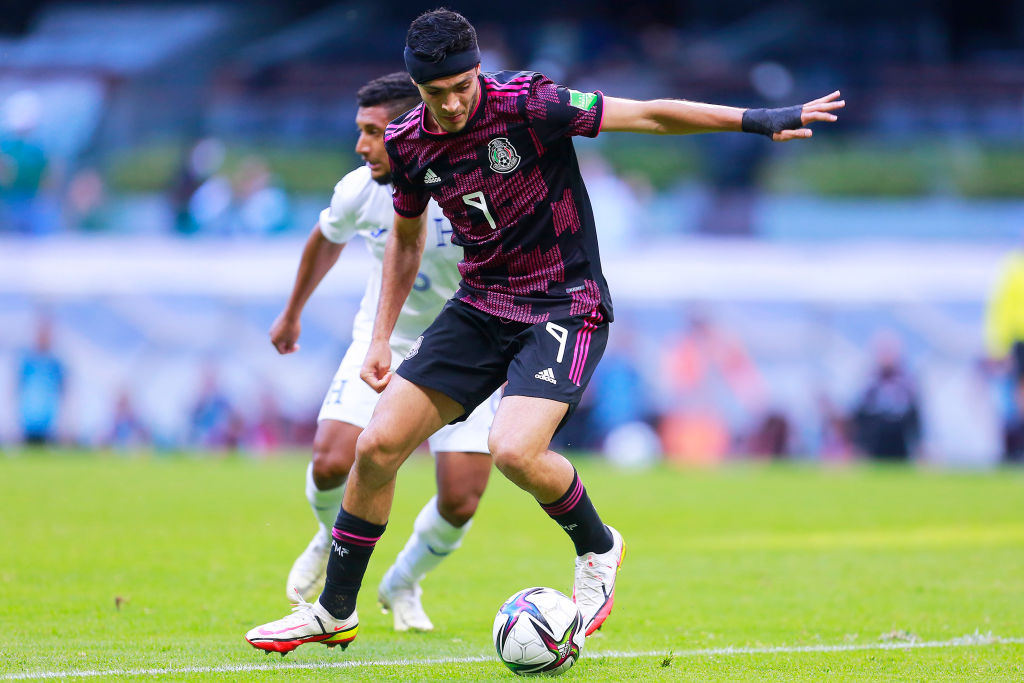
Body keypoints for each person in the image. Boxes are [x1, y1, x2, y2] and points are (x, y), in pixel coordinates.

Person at [245, 8, 843, 654]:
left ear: (478, 70)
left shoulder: (530, 103)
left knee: (513, 450)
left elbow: (647, 115)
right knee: (377, 444)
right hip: (481, 306)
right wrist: (383, 335)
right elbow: (407, 240)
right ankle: (334, 611)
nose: (449, 105)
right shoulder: (410, 142)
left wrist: (757, 120)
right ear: (417, 90)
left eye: (460, 87)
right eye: (435, 94)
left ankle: (598, 545)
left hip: (564, 301)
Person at [263, 72, 497, 633]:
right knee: (331, 462)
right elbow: (325, 237)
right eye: (360, 131)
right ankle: (333, 533)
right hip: (385, 342)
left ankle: (403, 581)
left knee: (462, 498)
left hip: (472, 348)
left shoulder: (466, 180)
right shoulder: (358, 189)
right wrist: (293, 310)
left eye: (371, 131)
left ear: (405, 126)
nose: (361, 145)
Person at [850, 332, 921, 461]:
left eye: (890, 351)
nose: (886, 356)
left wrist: (920, 445)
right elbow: (860, 416)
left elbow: (915, 416)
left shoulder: (907, 382)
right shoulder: (868, 381)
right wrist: (858, 446)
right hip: (874, 444)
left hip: (900, 444)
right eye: (883, 351)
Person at [984, 245, 1024, 463]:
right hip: (1019, 340)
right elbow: (1000, 308)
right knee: (1015, 397)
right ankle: (1014, 447)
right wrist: (998, 348)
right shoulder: (1014, 266)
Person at [17, 317, 65, 445]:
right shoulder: (27, 361)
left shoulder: (55, 362)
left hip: (49, 417)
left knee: (46, 453)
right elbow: (18, 387)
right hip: (28, 416)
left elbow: (62, 390)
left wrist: (65, 419)